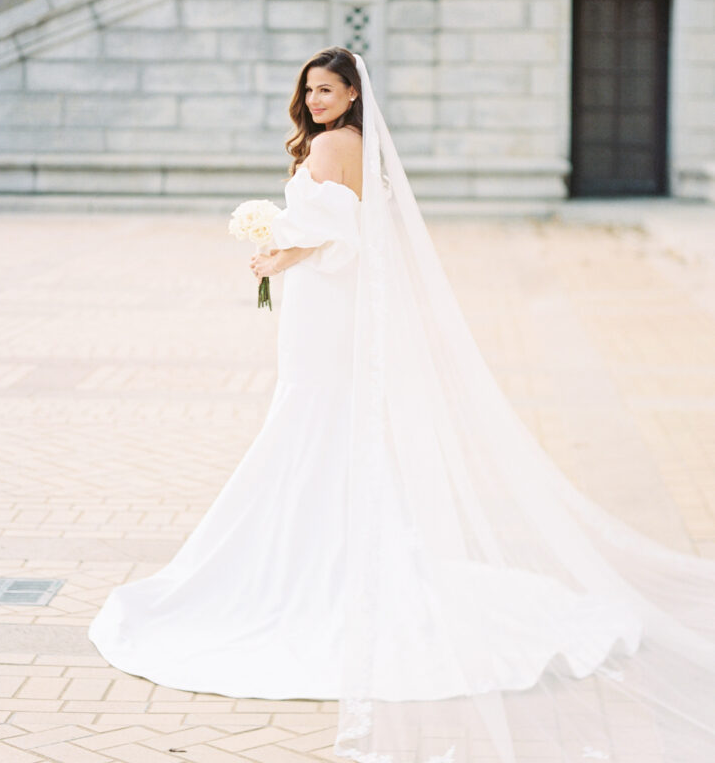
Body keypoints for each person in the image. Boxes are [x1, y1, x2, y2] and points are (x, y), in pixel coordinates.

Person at [89, 48, 715, 763]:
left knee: (309, 417)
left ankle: (312, 566)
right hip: (335, 305)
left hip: (324, 306)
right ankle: (342, 549)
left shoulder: (329, 146)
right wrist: (283, 249)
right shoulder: (360, 146)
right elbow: (356, 232)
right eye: (309, 90)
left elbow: (338, 234)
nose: (315, 100)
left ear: (353, 93)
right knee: (325, 422)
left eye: (326, 89)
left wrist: (273, 254)